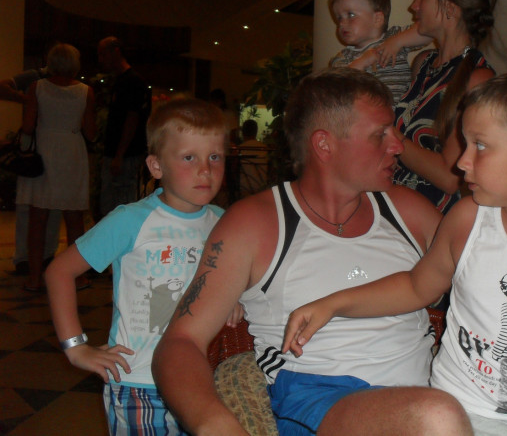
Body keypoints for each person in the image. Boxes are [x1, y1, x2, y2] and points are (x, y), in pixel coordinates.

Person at [284, 70, 507, 436]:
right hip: (468, 416)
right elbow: (416, 287)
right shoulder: (468, 221)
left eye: (479, 145)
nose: (461, 162)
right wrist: (333, 304)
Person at [152, 68, 472, 436]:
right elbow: (181, 342)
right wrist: (215, 423)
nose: (397, 146)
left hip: (425, 394)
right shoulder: (255, 223)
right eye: (380, 134)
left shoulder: (407, 210)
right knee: (437, 416)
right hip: (319, 401)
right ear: (324, 145)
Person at [45, 98, 236, 435]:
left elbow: (242, 277)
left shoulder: (227, 224)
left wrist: (236, 298)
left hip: (205, 381)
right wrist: (76, 347)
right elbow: (60, 271)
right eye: (189, 157)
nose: (205, 170)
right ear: (156, 165)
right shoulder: (131, 220)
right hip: (139, 383)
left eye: (215, 157)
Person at [388, 0, 497, 213]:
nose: (414, 6)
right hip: (395, 207)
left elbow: (450, 177)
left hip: (432, 217)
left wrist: (387, 134)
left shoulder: (477, 78)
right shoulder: (424, 63)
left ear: (449, 6)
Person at [19, 44, 96, 292]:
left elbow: (28, 126)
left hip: (44, 150)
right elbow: (91, 132)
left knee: (38, 219)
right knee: (74, 219)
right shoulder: (86, 91)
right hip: (72, 152)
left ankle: (34, 279)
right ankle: (77, 277)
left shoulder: (37, 87)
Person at [328, 0, 430, 103]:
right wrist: (363, 62)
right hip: (370, 113)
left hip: (402, 110)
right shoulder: (344, 57)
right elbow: (338, 88)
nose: (342, 23)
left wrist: (397, 42)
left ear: (377, 19)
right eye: (339, 18)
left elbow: (427, 31)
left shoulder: (394, 36)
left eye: (351, 15)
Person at [1, 67, 62, 275]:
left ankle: (38, 256)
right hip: (38, 145)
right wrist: (27, 100)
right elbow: (3, 87)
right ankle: (28, 257)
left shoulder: (59, 81)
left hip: (44, 143)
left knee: (45, 204)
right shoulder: (37, 77)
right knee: (30, 203)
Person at [98, 36, 151, 217]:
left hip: (125, 155)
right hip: (120, 153)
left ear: (116, 52)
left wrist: (119, 155)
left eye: (103, 54)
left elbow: (132, 119)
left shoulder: (132, 81)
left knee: (119, 204)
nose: (101, 59)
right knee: (114, 203)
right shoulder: (122, 80)